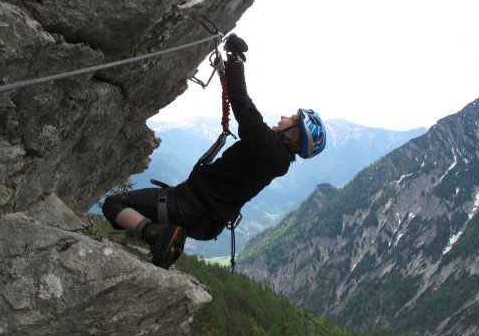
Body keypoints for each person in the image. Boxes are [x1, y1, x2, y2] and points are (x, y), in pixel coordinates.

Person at [102, 34, 326, 269]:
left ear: (295, 133)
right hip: (208, 222)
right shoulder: (279, 160)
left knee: (114, 204)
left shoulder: (268, 147)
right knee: (142, 207)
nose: (283, 117)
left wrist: (235, 59)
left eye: (291, 118)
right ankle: (164, 240)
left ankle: (156, 235)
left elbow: (242, 103)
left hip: (188, 204)